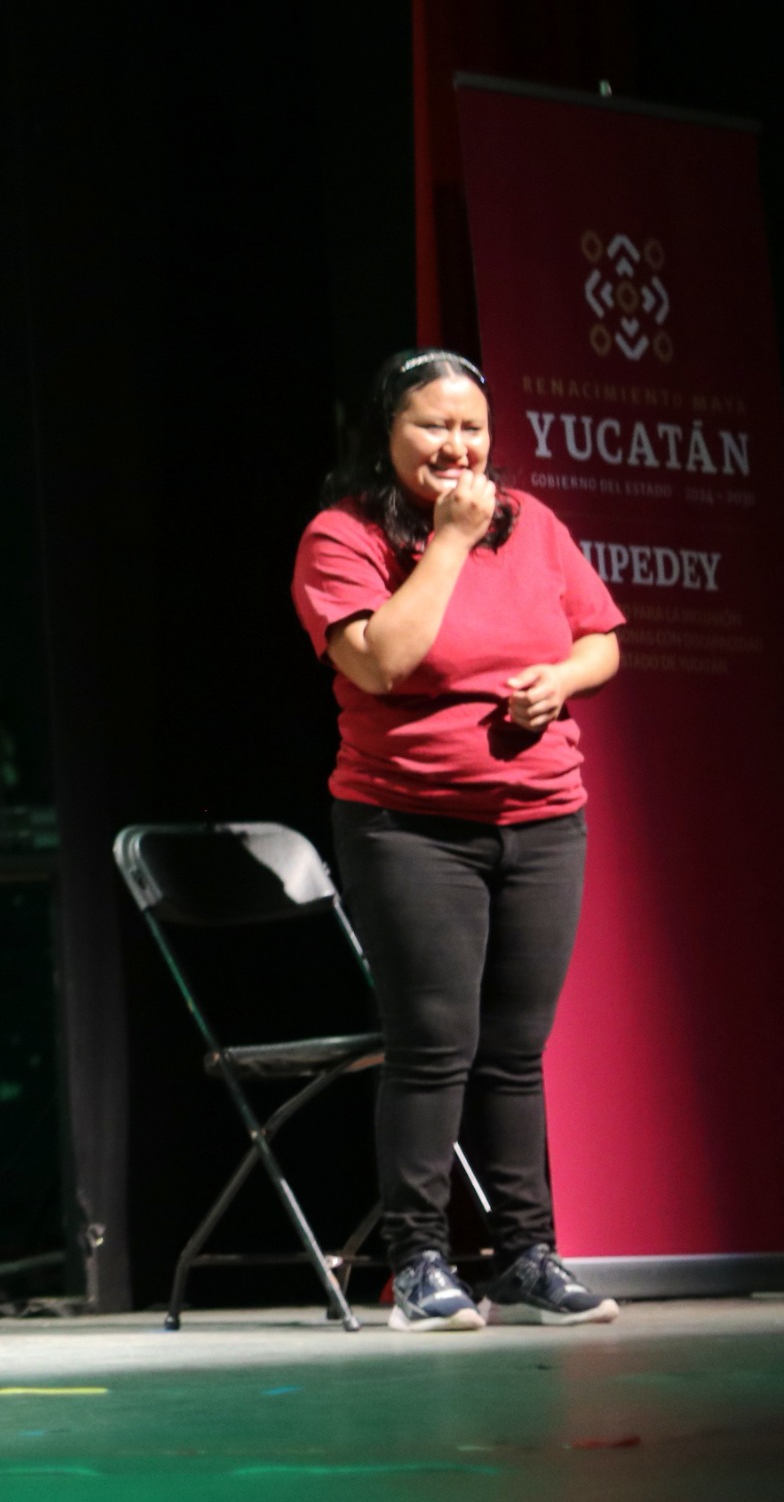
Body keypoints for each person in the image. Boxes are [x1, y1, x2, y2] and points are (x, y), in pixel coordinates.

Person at [292, 348, 624, 1333]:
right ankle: (421, 1263)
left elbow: (602, 638)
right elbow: (383, 662)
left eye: (471, 426)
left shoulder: (534, 523)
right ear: (386, 433)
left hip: (542, 816)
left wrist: (562, 679)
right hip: (409, 824)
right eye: (433, 425)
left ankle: (525, 1256)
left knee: (516, 1051)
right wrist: (446, 542)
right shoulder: (341, 534)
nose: (457, 445)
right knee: (434, 1043)